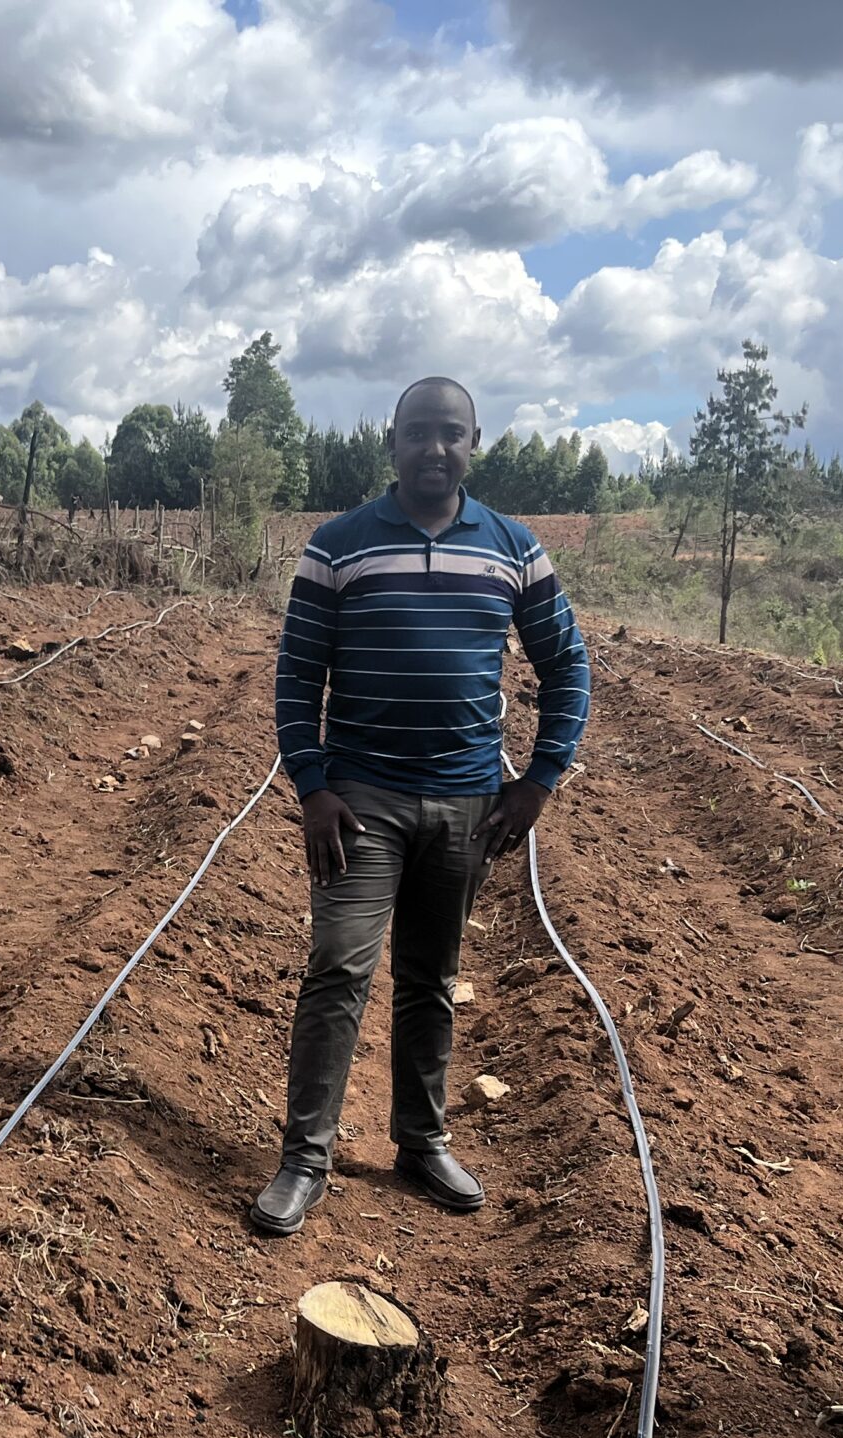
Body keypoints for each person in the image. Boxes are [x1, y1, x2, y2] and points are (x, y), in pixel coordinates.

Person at [247, 377, 590, 1235]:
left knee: (431, 977)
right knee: (338, 968)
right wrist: (313, 786)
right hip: (361, 799)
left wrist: (539, 779)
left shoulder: (514, 548)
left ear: (474, 443)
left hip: (469, 800)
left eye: (452, 434)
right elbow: (296, 677)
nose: (435, 449)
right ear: (391, 442)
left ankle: (421, 1141)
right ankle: (305, 1158)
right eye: (418, 433)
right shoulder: (338, 546)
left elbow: (567, 666)